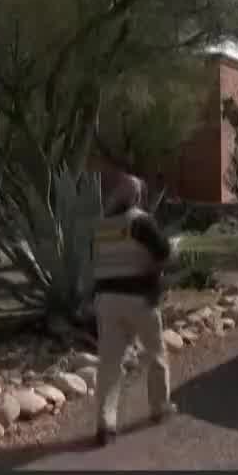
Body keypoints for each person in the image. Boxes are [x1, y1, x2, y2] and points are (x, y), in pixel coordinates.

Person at [91, 173, 177, 446]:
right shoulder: (140, 222)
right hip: (139, 299)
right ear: (138, 197)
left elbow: (97, 262)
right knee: (155, 354)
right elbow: (164, 253)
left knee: (109, 364)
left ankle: (106, 424)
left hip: (106, 300)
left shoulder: (102, 226)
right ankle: (160, 407)